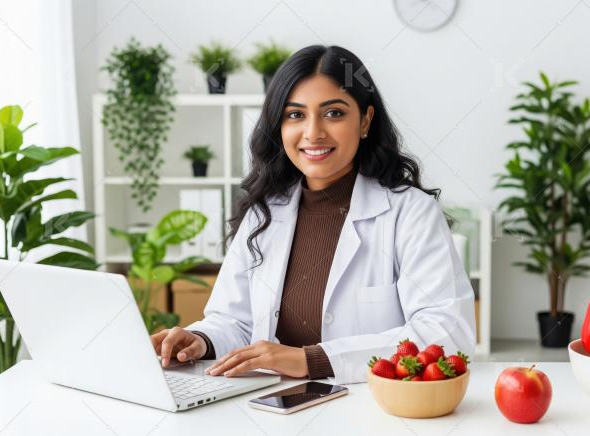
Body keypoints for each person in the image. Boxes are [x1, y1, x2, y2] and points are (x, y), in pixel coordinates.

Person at [151, 45, 476, 384]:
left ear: (365, 121)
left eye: (333, 113)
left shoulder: (409, 212)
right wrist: (201, 341)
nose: (313, 132)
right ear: (279, 125)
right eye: (295, 115)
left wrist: (312, 360)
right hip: (270, 408)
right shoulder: (263, 212)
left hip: (369, 411)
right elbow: (234, 321)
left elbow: (444, 332)